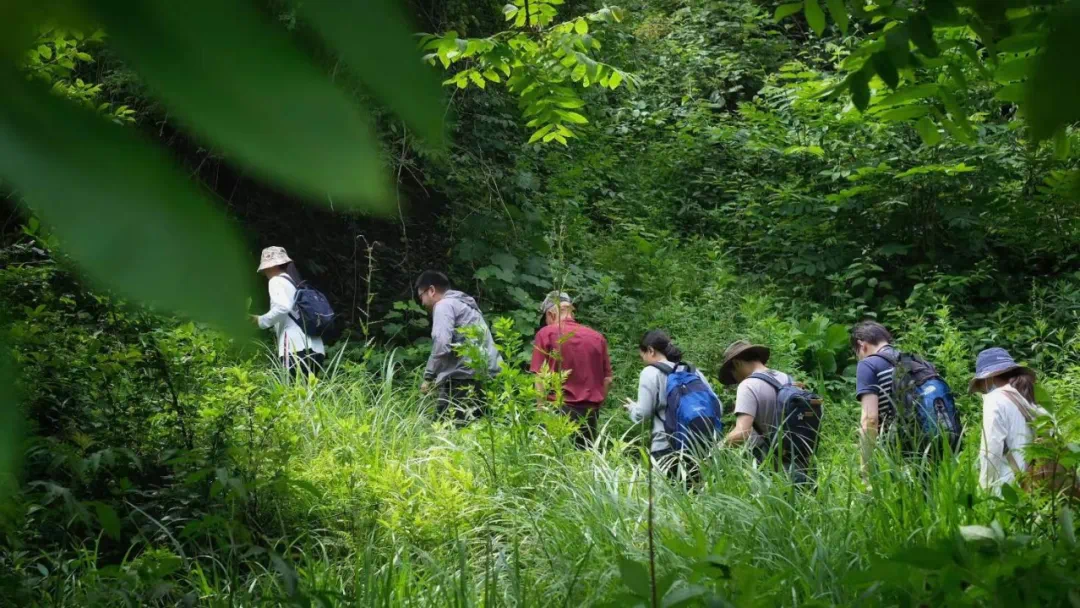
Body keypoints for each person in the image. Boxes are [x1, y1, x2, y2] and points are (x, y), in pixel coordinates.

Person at [623, 330, 721, 481]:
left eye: (642, 355)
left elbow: (643, 413)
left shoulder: (650, 373)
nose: (642, 360)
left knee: (666, 501)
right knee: (696, 500)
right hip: (698, 447)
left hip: (665, 447)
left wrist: (632, 409)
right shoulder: (693, 371)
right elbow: (717, 406)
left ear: (651, 350)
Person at [529, 292, 613, 448]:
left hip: (556, 411)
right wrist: (595, 408)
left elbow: (540, 377)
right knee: (582, 464)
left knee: (554, 465)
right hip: (589, 415)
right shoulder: (597, 337)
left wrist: (540, 413)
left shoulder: (546, 333)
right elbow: (607, 380)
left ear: (550, 314)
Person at [415, 271, 501, 422]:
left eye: (421, 295)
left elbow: (442, 344)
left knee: (444, 428)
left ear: (431, 290)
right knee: (478, 428)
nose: (422, 302)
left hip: (464, 377)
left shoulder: (443, 305)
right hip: (488, 374)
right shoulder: (466, 306)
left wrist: (429, 376)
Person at [970, 347, 1046, 495]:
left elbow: (990, 451)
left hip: (1010, 490)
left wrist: (983, 490)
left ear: (988, 379)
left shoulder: (995, 399)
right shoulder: (1030, 396)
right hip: (1041, 485)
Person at [254, 246, 326, 377]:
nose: (265, 273)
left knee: (292, 393)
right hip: (316, 349)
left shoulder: (276, 281)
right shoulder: (296, 284)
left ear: (271, 266)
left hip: (295, 348)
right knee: (308, 394)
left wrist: (260, 320)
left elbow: (283, 307)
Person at [719, 340, 792, 457]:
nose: (735, 379)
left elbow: (742, 433)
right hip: (797, 458)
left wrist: (715, 451)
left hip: (767, 462)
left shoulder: (748, 385)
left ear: (737, 363)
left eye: (732, 374)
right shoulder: (787, 379)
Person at [851, 321, 901, 475]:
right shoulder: (914, 361)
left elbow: (870, 419)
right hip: (934, 443)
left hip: (898, 453)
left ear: (862, 345)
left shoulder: (868, 364)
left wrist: (865, 472)